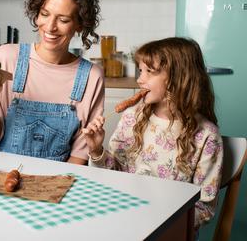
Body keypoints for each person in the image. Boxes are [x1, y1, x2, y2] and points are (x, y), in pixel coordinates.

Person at [83, 37, 223, 230]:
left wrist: (157, 223)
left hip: (172, 229)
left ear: (179, 77)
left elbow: (204, 207)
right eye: (140, 70)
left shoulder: (207, 136)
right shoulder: (132, 117)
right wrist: (97, 149)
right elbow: (113, 176)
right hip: (123, 217)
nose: (140, 79)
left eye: (150, 71)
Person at [0, 0, 104, 165]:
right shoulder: (6, 57)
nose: (50, 27)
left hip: (58, 183)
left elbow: (79, 157)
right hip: (4, 176)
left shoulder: (92, 76)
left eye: (63, 20)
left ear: (79, 25)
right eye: (45, 14)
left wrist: (53, 189)